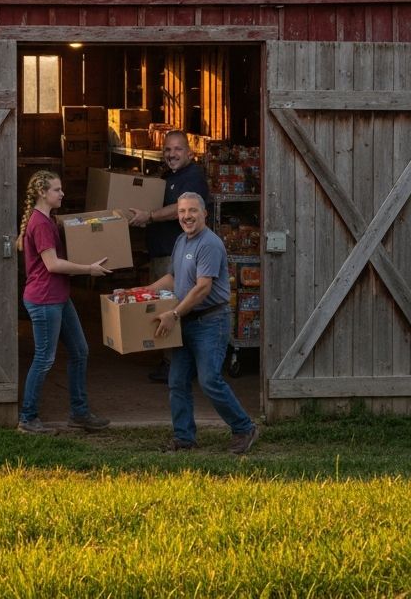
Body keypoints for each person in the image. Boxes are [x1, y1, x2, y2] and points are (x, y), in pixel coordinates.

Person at [148, 192, 258, 455]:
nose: (187, 216)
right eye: (182, 211)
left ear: (204, 214)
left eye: (192, 211)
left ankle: (244, 427)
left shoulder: (209, 243)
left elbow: (202, 289)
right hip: (187, 320)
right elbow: (174, 279)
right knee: (177, 381)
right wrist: (141, 291)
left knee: (209, 379)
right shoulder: (181, 241)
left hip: (210, 321)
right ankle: (184, 438)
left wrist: (173, 314)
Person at [16, 169, 112, 434]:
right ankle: (27, 418)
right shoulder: (40, 224)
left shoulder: (48, 220)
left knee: (80, 351)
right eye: (57, 190)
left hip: (58, 297)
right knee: (44, 359)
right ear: (42, 193)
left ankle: (79, 414)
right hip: (45, 300)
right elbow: (53, 264)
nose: (62, 193)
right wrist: (89, 269)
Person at [127, 130, 210, 382]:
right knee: (164, 304)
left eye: (177, 149)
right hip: (161, 253)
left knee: (173, 306)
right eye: (167, 150)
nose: (171, 154)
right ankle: (170, 362)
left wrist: (149, 216)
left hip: (176, 256)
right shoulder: (168, 175)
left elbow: (178, 210)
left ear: (189, 152)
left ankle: (176, 366)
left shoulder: (193, 177)